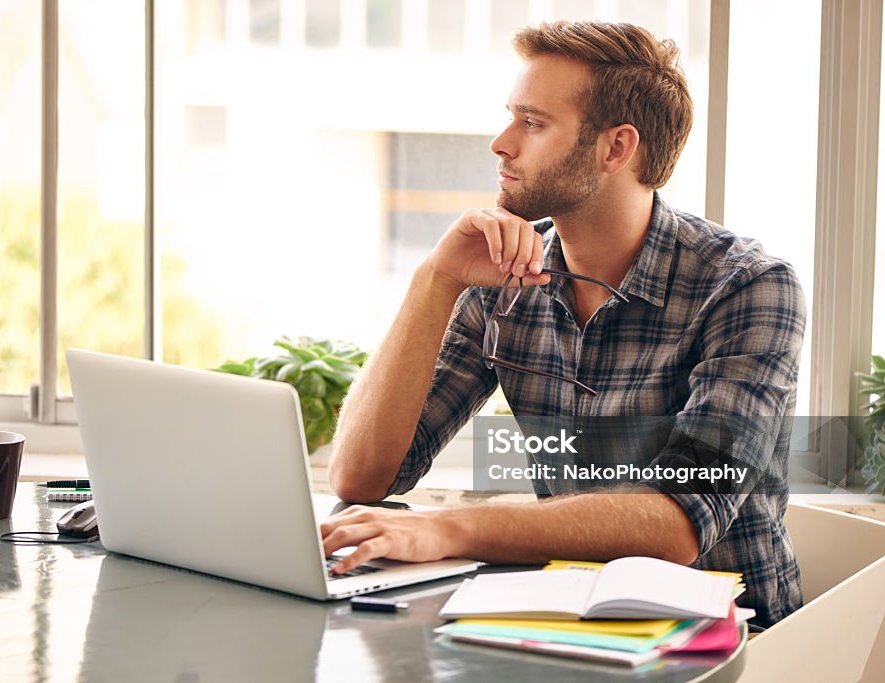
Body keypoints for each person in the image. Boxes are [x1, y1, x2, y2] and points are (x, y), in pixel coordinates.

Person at [321, 20, 805, 629]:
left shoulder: (748, 286)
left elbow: (681, 522)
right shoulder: (504, 277)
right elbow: (365, 477)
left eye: (532, 122)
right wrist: (435, 280)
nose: (500, 143)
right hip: (569, 618)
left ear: (615, 149)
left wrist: (447, 527)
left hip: (735, 637)